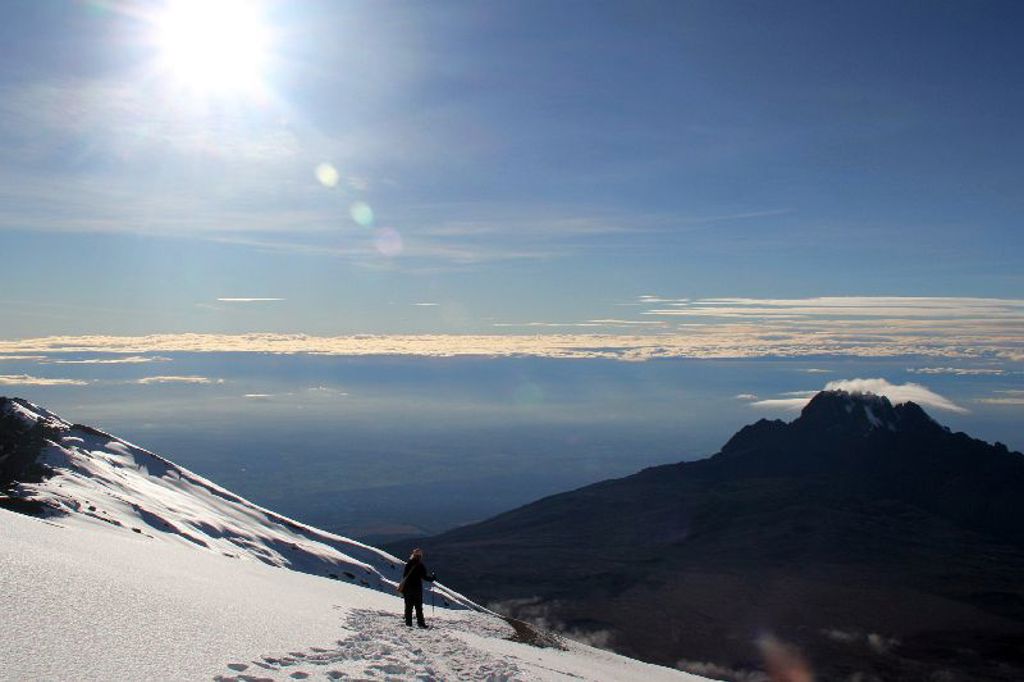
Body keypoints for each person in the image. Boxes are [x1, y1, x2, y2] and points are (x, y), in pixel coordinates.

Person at [400, 547, 436, 628]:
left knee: (408, 607)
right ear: (420, 556)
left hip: (408, 588)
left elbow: (404, 576)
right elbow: (425, 577)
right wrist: (433, 578)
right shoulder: (420, 565)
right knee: (418, 607)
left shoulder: (408, 564)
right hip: (417, 589)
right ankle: (421, 623)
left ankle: (408, 624)